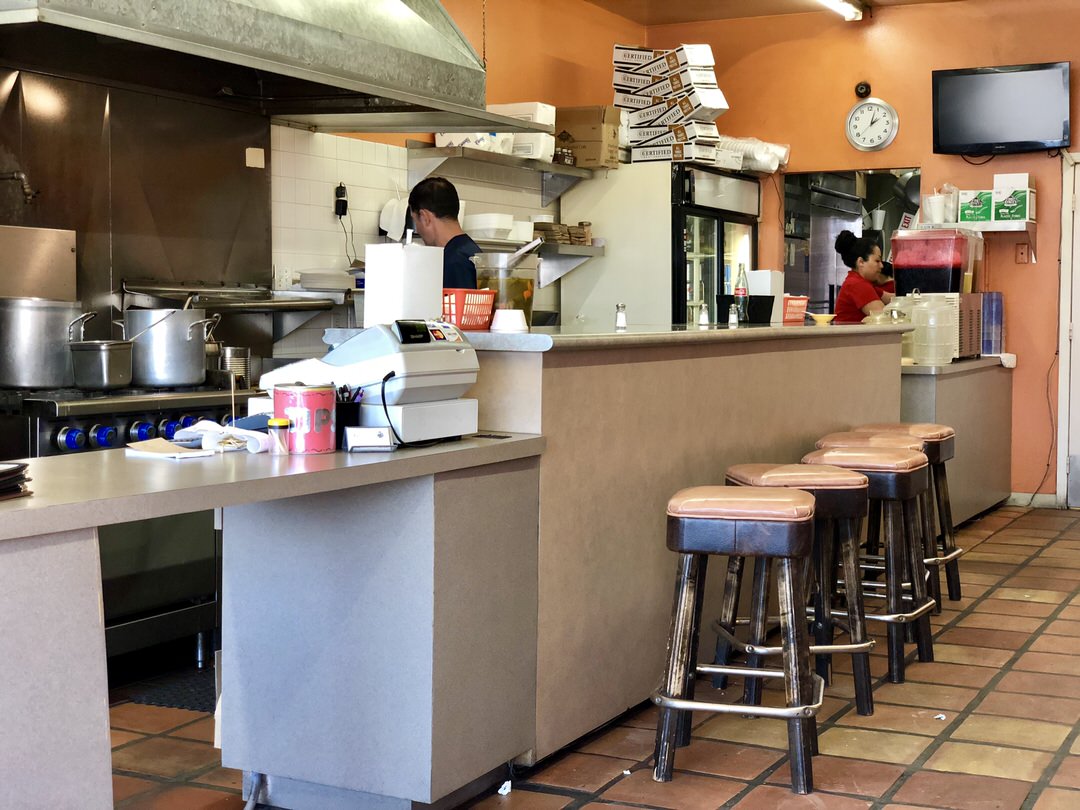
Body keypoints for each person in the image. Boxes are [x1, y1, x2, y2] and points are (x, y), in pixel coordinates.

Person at [407, 177, 480, 289]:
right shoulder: (471, 250)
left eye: (415, 220)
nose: (418, 230)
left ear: (425, 217)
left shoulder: (452, 262)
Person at [833, 230, 892, 324]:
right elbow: (884, 318)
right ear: (861, 262)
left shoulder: (860, 282)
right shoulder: (857, 284)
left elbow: (892, 298)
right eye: (877, 261)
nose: (881, 265)